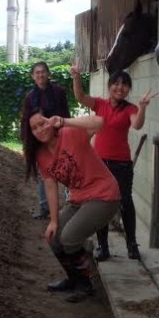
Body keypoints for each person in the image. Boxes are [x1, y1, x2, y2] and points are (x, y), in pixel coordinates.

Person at [23, 107, 120, 302]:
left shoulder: (70, 133)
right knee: (54, 237)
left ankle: (86, 285)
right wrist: (53, 220)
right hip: (79, 199)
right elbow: (50, 187)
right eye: (34, 128)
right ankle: (73, 280)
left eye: (42, 123)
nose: (40, 129)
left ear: (50, 120)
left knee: (69, 237)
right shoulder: (41, 155)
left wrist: (66, 121)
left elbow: (100, 122)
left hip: (104, 195)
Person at [71, 66, 158, 261]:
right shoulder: (100, 104)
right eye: (116, 84)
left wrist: (142, 107)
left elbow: (137, 124)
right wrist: (76, 77)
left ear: (128, 89)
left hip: (121, 165)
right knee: (100, 205)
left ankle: (132, 244)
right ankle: (103, 246)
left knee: (125, 202)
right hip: (99, 164)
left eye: (125, 85)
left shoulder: (130, 108)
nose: (120, 88)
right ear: (110, 86)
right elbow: (80, 96)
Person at [20, 61, 71, 220]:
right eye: (37, 73)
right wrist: (26, 141)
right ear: (32, 76)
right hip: (41, 140)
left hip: (58, 138)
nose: (40, 75)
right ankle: (44, 207)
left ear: (48, 74)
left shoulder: (58, 92)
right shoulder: (30, 97)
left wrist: (65, 133)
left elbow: (65, 115)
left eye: (43, 72)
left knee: (67, 169)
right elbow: (26, 121)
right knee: (44, 174)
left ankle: (72, 203)